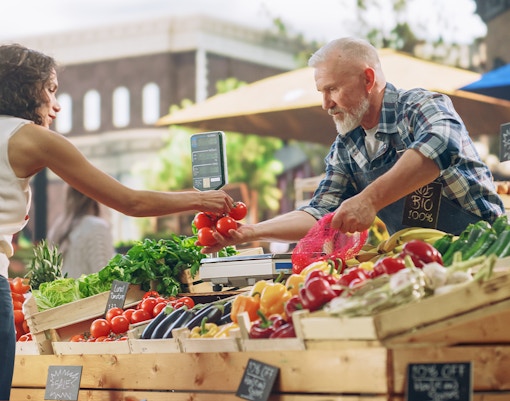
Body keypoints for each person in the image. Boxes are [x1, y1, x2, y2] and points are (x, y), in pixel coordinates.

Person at [0, 43, 234, 400]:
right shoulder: (31, 138)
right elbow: (131, 201)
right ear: (25, 87)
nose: (57, 105)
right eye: (51, 90)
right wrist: (201, 199)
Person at [201, 37, 504, 254]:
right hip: (418, 262)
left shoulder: (421, 105)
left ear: (368, 79)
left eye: (332, 89)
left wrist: (369, 199)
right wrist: (251, 232)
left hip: (486, 250)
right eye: (321, 91)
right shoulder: (346, 147)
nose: (325, 104)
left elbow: (440, 146)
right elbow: (320, 212)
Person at [47, 185, 115, 278]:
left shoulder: (58, 227)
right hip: (90, 292)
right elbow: (105, 276)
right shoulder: (96, 227)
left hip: (63, 291)